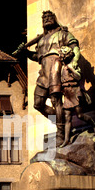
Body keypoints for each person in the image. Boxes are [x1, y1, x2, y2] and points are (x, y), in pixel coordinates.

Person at [15, 10, 81, 146]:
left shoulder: (63, 34)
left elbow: (75, 48)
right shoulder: (41, 40)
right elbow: (37, 57)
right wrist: (26, 52)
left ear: (55, 19)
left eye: (49, 17)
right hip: (43, 74)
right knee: (37, 104)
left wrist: (73, 62)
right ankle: (59, 119)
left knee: (56, 102)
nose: (47, 19)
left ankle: (60, 133)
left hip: (56, 71)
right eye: (44, 18)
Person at [59, 46, 95, 148]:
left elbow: (78, 76)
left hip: (75, 92)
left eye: (62, 55)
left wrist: (72, 69)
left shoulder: (73, 65)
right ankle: (66, 140)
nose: (60, 57)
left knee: (80, 115)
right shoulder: (62, 68)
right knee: (67, 117)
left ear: (66, 56)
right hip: (67, 93)